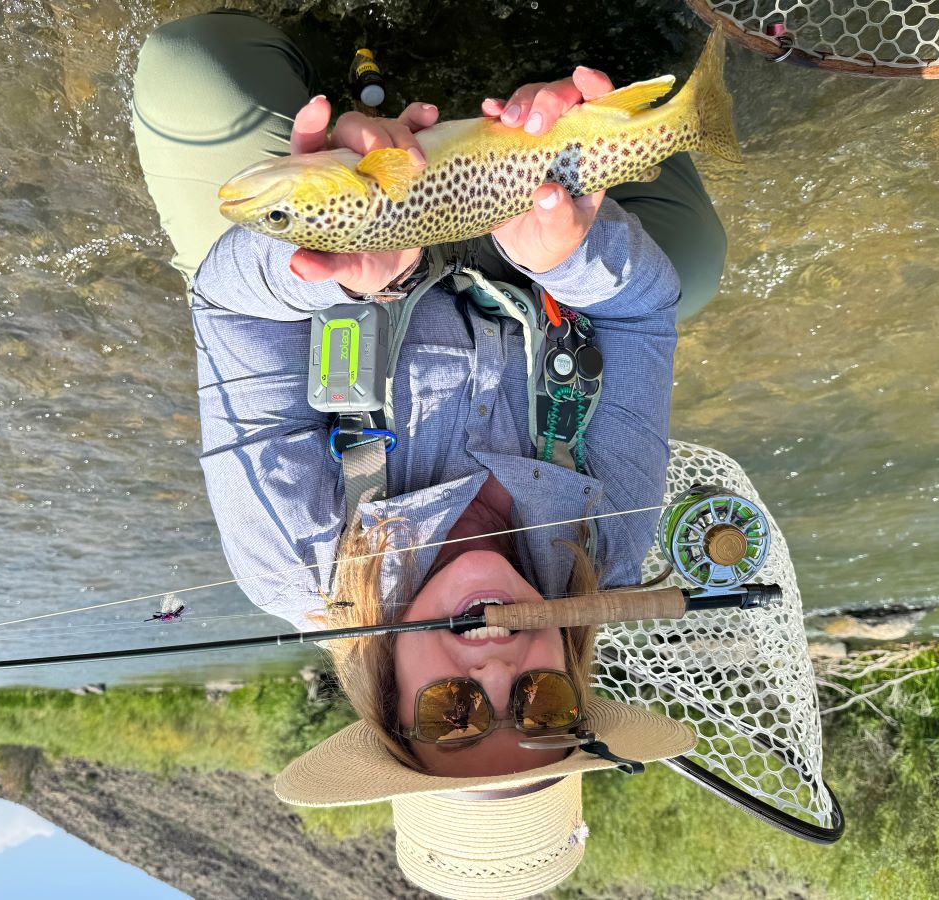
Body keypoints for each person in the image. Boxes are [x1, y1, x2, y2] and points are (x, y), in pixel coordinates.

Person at [132, 10, 727, 898]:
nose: (493, 667)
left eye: (454, 715)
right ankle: (583, 75)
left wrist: (322, 262)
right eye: (542, 709)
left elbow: (231, 311)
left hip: (331, 253)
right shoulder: (605, 546)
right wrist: (577, 252)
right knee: (696, 263)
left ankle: (323, 103)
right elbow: (640, 316)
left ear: (389, 707)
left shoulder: (296, 560)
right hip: (513, 224)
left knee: (191, 70)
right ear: (571, 681)